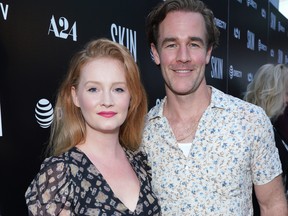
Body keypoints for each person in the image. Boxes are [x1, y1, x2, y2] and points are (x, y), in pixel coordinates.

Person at [141, 0, 288, 215]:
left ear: (208, 52)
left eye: (194, 44)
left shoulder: (250, 121)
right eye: (171, 44)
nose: (183, 57)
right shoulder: (141, 133)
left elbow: (272, 204)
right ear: (155, 53)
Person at [25, 38, 161, 215]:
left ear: (131, 96)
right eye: (93, 89)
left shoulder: (141, 163)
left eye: (118, 89)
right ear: (75, 96)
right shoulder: (59, 174)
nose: (107, 101)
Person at [244, 63, 288, 199]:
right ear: (272, 92)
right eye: (286, 93)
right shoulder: (251, 128)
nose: (287, 100)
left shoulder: (273, 126)